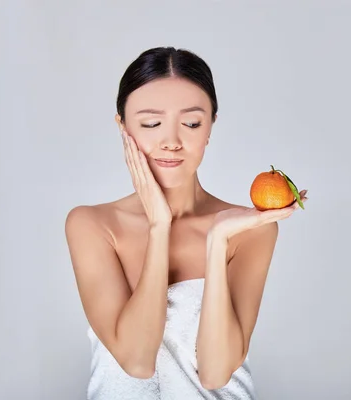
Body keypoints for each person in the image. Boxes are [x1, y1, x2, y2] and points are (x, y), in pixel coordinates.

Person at [64, 46, 307, 399]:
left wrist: (217, 241)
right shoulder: (92, 225)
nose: (172, 142)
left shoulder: (250, 229)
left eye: (192, 123)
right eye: (151, 123)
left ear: (210, 127)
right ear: (123, 126)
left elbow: (216, 372)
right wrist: (159, 226)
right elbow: (136, 360)